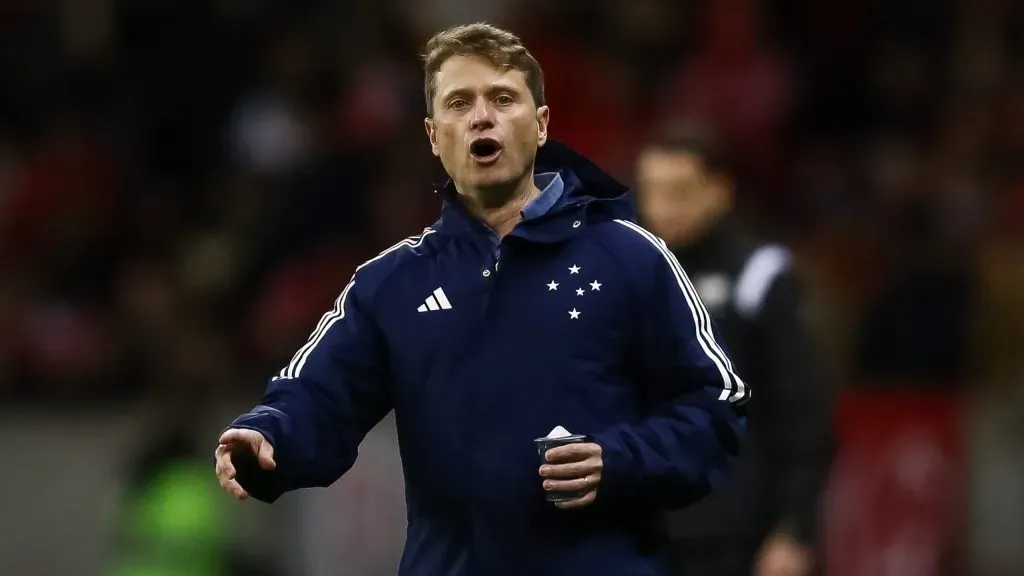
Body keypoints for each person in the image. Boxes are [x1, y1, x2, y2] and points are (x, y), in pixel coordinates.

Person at [214, 23, 750, 576]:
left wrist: (620, 459)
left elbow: (715, 407)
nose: (481, 116)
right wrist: (267, 435)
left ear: (540, 125)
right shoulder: (392, 283)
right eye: (459, 102)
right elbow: (318, 396)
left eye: (502, 98)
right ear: (432, 135)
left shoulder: (628, 257)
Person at [634, 121, 833, 576]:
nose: (663, 206)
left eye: (680, 190)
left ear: (720, 191)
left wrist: (795, 529)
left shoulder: (760, 278)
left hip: (737, 536)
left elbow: (803, 416)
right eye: (652, 190)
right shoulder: (625, 277)